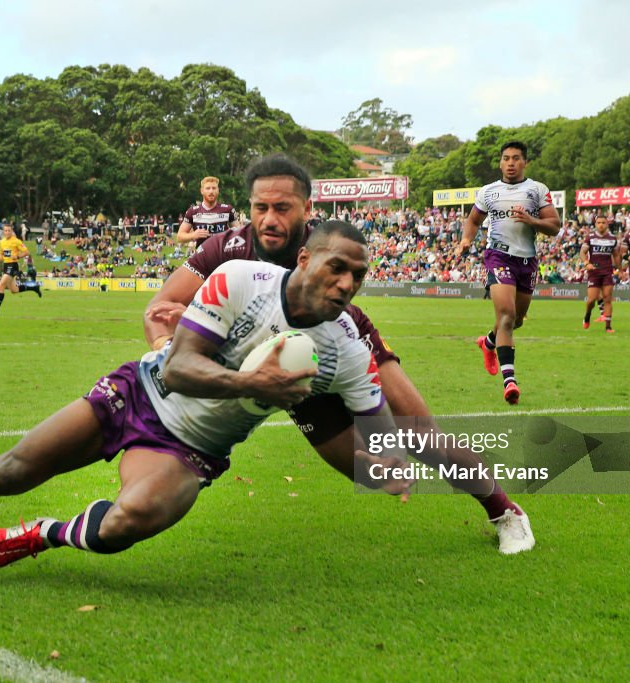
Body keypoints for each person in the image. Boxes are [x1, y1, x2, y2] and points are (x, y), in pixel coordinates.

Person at [0, 222, 411, 567]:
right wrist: (252, 384)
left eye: (356, 277)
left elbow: (377, 432)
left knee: (123, 527)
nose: (345, 284)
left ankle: (41, 535)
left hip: (190, 450)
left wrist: (384, 466)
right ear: (306, 258)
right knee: (8, 472)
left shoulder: (346, 350)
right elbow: (183, 368)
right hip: (137, 394)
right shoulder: (240, 279)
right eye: (337, 268)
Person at [147, 153, 534, 554]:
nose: (270, 219)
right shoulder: (225, 248)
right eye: (261, 207)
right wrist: (167, 343)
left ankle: (505, 512)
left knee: (421, 437)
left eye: (283, 208)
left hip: (340, 346)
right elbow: (158, 310)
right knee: (364, 472)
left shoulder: (324, 240)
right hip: (276, 367)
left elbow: (351, 279)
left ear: (307, 210)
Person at [455, 141, 561, 405]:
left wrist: (533, 221)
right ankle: (509, 381)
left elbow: (554, 226)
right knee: (506, 314)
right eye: (506, 158)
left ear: (525, 162)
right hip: (498, 256)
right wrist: (466, 239)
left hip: (527, 261)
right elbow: (473, 220)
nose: (511, 163)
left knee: (517, 321)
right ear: (500, 163)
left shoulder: (537, 190)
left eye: (516, 158)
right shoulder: (488, 192)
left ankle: (489, 342)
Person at [0, 223, 41, 315]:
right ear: (3, 231)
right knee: (14, 290)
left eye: (9, 230)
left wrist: (18, 256)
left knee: (1, 286)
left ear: (12, 231)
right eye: (5, 230)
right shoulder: (2, 242)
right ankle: (34, 288)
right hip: (6, 266)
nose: (7, 232)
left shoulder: (16, 241)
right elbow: (2, 255)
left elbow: (27, 252)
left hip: (13, 265)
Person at [579, 215, 620, 333]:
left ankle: (608, 326)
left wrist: (620, 269)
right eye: (598, 222)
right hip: (594, 272)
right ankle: (587, 315)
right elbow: (582, 252)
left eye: (603, 222)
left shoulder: (612, 239)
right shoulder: (590, 237)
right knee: (591, 300)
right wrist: (586, 262)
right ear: (595, 224)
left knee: (607, 298)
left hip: (607, 271)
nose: (601, 224)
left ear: (607, 224)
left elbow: (616, 255)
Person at [176, 176, 239, 247]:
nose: (211, 191)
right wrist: (193, 235)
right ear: (202, 191)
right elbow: (179, 237)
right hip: (202, 256)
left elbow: (239, 233)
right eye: (208, 188)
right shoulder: (192, 212)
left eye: (214, 188)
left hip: (223, 256)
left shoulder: (228, 209)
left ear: (218, 190)